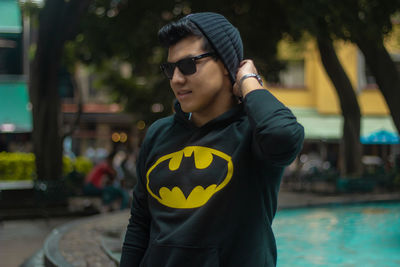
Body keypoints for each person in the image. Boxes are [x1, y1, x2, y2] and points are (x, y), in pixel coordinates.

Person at [121, 12, 304, 267]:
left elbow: (284, 135)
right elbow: (140, 223)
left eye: (188, 65)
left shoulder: (254, 134)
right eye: (170, 68)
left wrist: (248, 80)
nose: (176, 79)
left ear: (228, 65)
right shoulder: (158, 134)